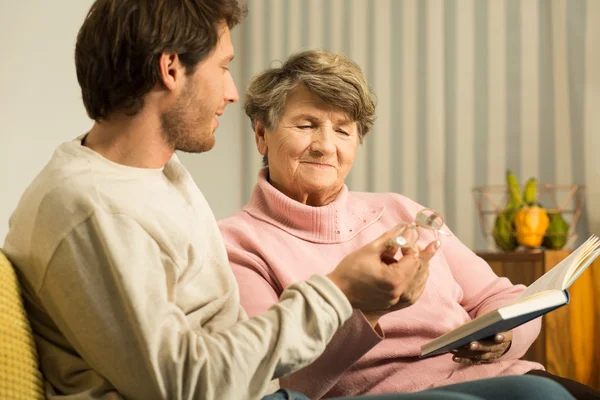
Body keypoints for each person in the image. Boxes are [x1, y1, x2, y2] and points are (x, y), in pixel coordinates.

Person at [0, 1, 578, 400]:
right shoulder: (91, 209)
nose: (231, 90)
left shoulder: (158, 177)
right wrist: (347, 293)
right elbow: (188, 385)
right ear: (170, 68)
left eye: (344, 129)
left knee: (547, 389)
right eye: (224, 67)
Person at [218, 49, 600, 400]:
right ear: (261, 133)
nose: (325, 145)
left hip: (501, 376)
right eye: (306, 125)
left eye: (343, 130)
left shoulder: (400, 209)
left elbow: (499, 297)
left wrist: (503, 338)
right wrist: (368, 310)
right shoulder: (237, 243)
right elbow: (279, 382)